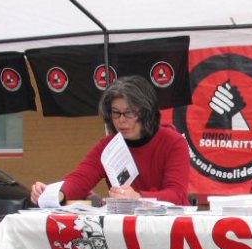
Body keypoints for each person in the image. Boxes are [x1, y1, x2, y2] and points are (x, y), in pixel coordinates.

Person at [31, 75, 191, 206]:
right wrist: (55, 194)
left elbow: (176, 194)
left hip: (170, 227)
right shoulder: (108, 146)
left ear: (147, 113)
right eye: (116, 113)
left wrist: (138, 197)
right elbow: (80, 179)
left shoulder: (173, 142)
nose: (121, 120)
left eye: (129, 113)